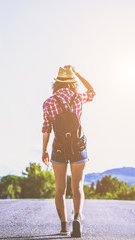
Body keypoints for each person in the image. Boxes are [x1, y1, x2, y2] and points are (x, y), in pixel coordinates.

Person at [42, 65, 95, 237]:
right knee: (77, 186)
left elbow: (46, 129)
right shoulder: (79, 97)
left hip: (59, 148)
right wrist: (78, 74)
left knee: (60, 190)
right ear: (72, 82)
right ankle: (77, 218)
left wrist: (44, 150)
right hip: (78, 147)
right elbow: (92, 91)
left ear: (56, 83)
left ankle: (64, 225)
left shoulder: (49, 102)